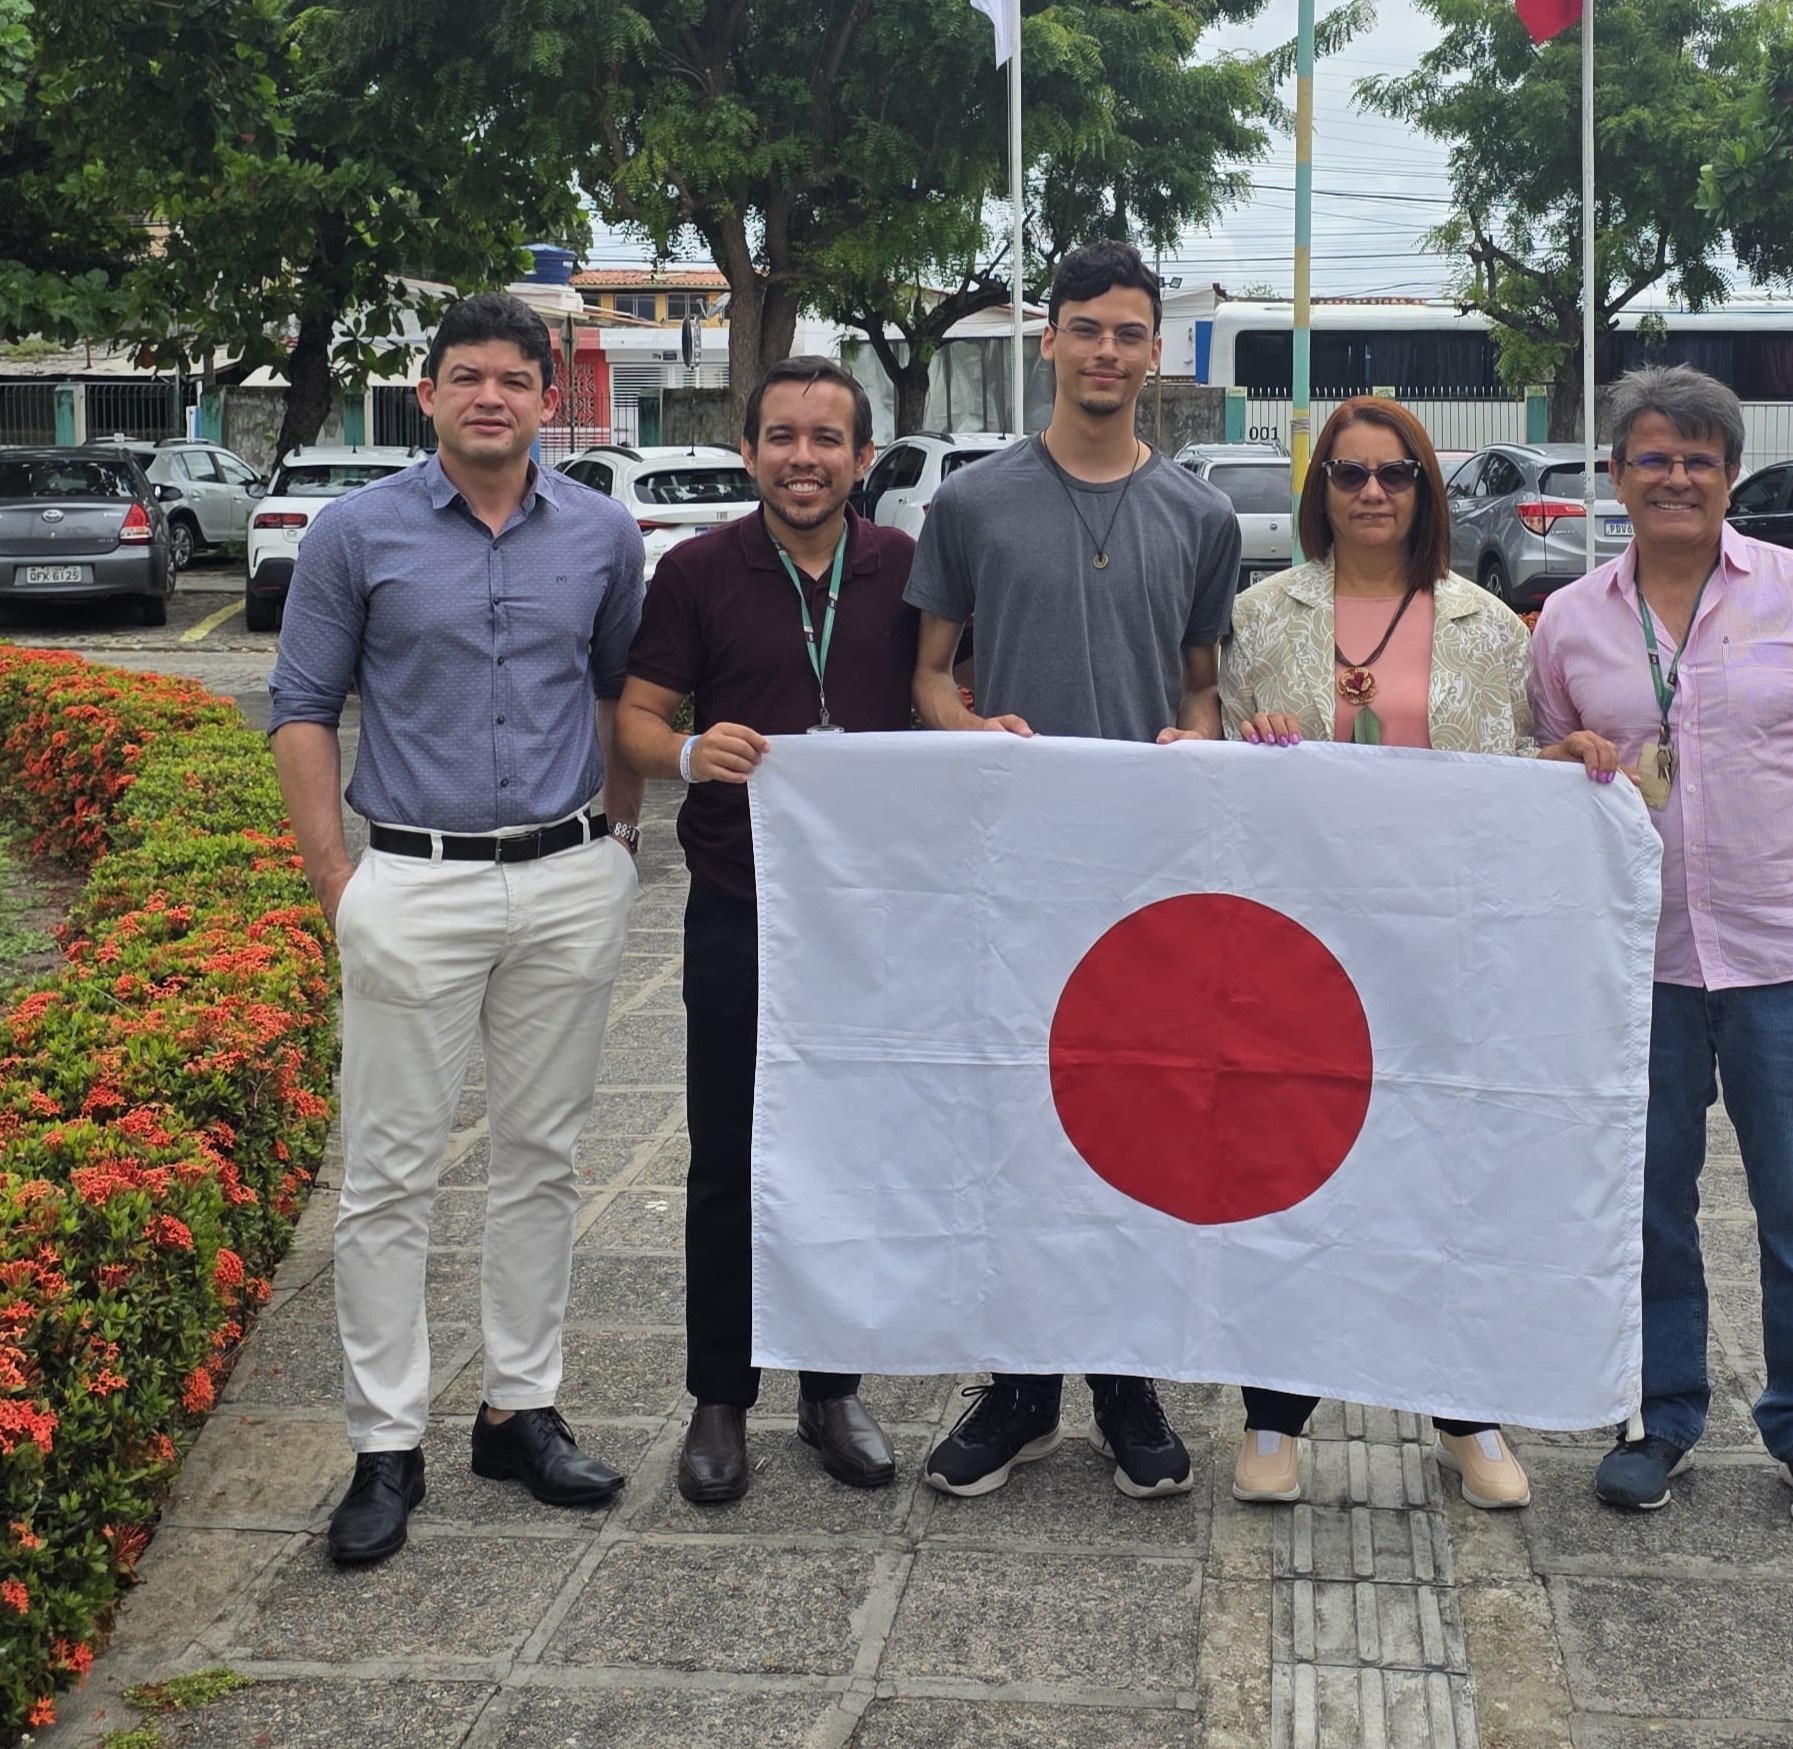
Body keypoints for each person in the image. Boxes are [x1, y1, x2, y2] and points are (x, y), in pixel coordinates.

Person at [268, 292, 647, 1564]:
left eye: (515, 379)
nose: (492, 396)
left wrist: (621, 843)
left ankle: (517, 1410)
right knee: (388, 1177)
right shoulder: (354, 534)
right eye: (465, 377)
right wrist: (339, 881)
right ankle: (386, 1444)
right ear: (426, 394)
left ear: (551, 399)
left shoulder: (601, 534)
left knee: (543, 1160)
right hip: (412, 884)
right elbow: (304, 707)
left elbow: (617, 692)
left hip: (563, 879)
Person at [1532, 364, 1793, 1535]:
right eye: (1652, 457)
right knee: (1647, 1201)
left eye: (1698, 459)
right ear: (1615, 477)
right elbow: (1550, 756)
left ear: (1729, 475)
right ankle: (1660, 1417)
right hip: (1638, 964)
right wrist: (1570, 764)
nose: (1676, 477)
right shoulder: (1569, 621)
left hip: (1786, 958)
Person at [905, 239, 1240, 1500]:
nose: (1107, 351)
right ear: (1046, 340)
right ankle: (1021, 1386)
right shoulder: (974, 504)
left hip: (1152, 882)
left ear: (1156, 353)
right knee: (1012, 1123)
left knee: (1139, 1124)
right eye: (1085, 328)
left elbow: (1204, 694)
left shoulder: (1201, 517)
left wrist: (1188, 744)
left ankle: (1127, 1378)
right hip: (1011, 871)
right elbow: (930, 677)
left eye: (1129, 332)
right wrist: (967, 733)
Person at [1215, 394, 1537, 1511]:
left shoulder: (1489, 629)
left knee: (1443, 1181)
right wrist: (1246, 752)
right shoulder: (1260, 618)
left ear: (1424, 490)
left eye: (1393, 474)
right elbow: (1218, 791)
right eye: (1348, 474)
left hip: (1436, 949)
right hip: (1298, 950)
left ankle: (1464, 1409)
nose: (1370, 493)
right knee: (1291, 1177)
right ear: (1320, 493)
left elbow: (1518, 788)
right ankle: (1272, 1416)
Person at [613, 357, 913, 1500]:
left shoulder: (905, 569)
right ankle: (719, 1396)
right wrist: (690, 754)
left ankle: (830, 1389)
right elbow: (638, 718)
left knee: (847, 1155)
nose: (804, 457)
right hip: (741, 906)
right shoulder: (695, 571)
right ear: (749, 452)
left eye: (827, 439)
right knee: (729, 1157)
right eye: (782, 436)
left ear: (861, 457)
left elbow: (942, 702)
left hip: (870, 920)